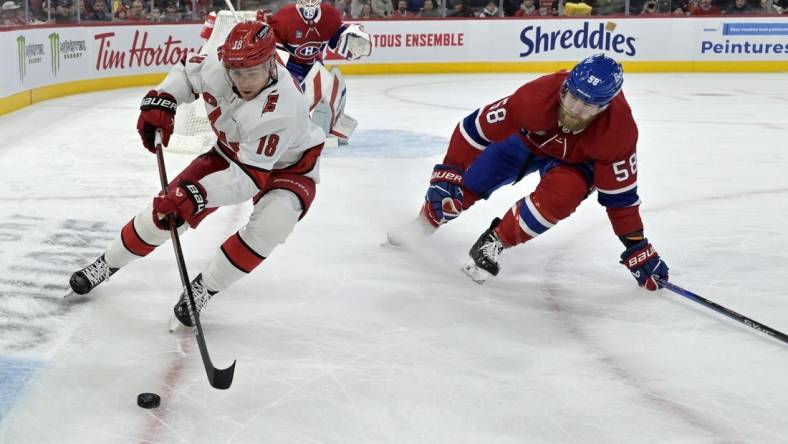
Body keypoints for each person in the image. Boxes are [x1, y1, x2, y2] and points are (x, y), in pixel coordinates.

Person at [69, 21, 326, 329]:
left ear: (272, 63)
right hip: (231, 153)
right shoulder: (219, 63)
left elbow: (246, 179)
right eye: (237, 73)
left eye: (252, 73)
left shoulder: (282, 107)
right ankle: (106, 263)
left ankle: (204, 288)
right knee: (163, 215)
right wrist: (163, 99)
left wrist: (197, 196)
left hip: (291, 168)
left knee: (272, 225)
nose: (243, 81)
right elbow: (186, 75)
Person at [387, 54, 670, 291]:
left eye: (586, 107)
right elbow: (472, 130)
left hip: (575, 164)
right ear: (564, 89)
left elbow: (620, 202)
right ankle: (424, 223)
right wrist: (448, 172)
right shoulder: (535, 98)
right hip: (528, 140)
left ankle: (494, 242)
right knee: (468, 184)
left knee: (562, 196)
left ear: (604, 107)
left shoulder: (617, 133)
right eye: (571, 99)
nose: (573, 111)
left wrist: (636, 247)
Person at [266, 0, 373, 85]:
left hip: (315, 64)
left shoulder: (329, 15)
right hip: (291, 65)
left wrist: (348, 41)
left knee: (323, 93)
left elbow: (337, 40)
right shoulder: (285, 16)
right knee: (294, 90)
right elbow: (274, 51)